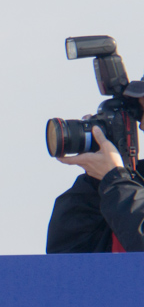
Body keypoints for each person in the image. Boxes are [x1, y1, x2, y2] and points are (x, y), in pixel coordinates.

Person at [46, 95, 144, 253]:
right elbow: (67, 257)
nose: (141, 125)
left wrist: (116, 182)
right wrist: (96, 181)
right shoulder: (133, 182)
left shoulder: (124, 188)